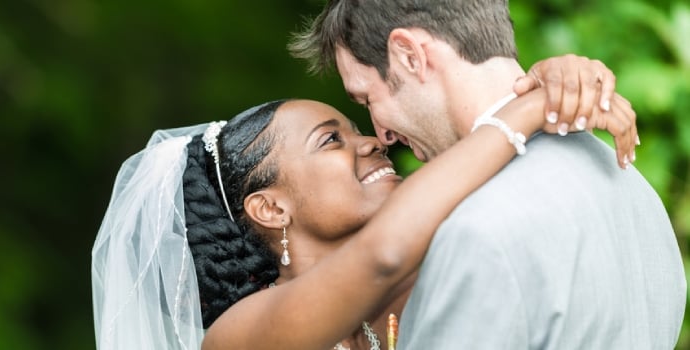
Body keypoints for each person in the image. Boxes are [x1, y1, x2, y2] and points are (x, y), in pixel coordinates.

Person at [92, 64, 638, 349]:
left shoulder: (438, 262)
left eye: (357, 129)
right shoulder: (239, 336)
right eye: (332, 140)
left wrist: (560, 77)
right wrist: (528, 110)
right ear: (270, 208)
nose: (374, 142)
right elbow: (382, 253)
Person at [288, 0, 686, 348]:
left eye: (368, 98)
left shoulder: (475, 230)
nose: (381, 133)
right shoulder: (632, 185)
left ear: (410, 54)